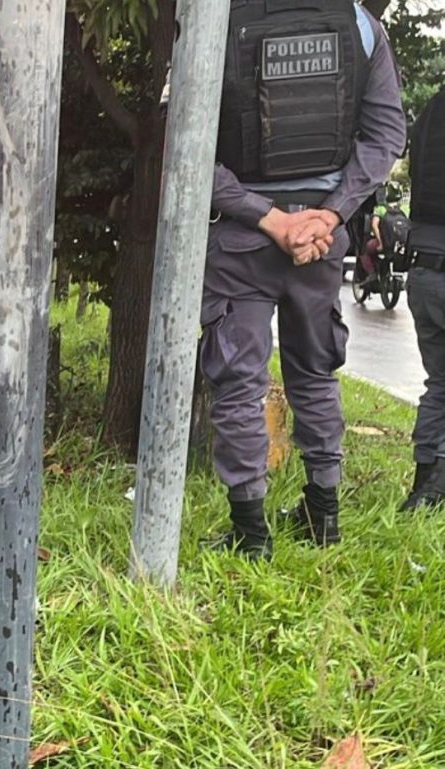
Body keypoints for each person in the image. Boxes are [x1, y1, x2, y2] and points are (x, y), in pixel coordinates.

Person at [202, 0, 406, 559]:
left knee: (239, 382)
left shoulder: (215, 20)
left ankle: (250, 535)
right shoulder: (361, 25)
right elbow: (386, 136)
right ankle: (323, 515)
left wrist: (270, 219)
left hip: (244, 236)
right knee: (315, 375)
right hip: (319, 240)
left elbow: (188, 146)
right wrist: (331, 214)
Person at [400, 86, 445, 510]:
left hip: (423, 270)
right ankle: (438, 488)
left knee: (439, 383)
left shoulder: (430, 109)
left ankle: (422, 484)